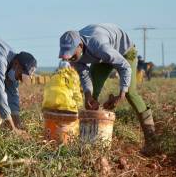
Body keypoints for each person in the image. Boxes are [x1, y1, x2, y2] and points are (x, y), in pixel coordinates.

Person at [58, 23, 156, 153]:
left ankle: (152, 140)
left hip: (125, 52)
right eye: (68, 55)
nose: (70, 58)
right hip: (102, 58)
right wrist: (88, 93)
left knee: (130, 93)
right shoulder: (74, 54)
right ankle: (92, 142)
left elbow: (124, 66)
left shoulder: (99, 46)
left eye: (72, 55)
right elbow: (84, 74)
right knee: (91, 98)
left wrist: (121, 93)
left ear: (80, 46)